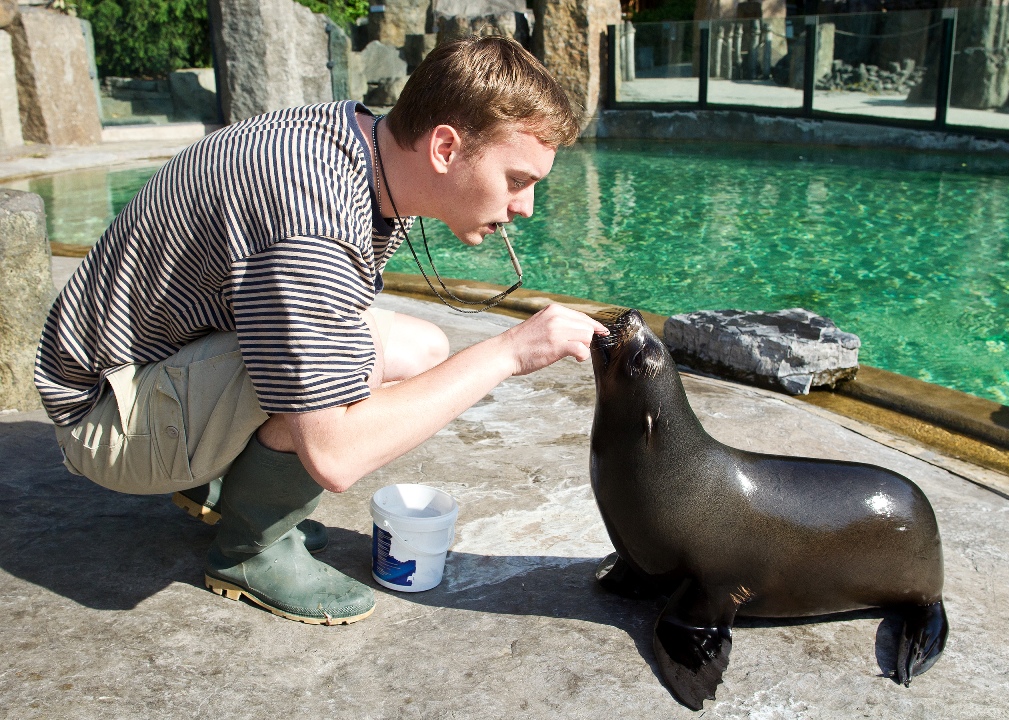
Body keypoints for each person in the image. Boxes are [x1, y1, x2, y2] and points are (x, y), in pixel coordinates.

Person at [35, 35, 608, 625]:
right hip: (107, 418)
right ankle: (247, 551)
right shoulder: (312, 225)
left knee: (422, 347)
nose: (527, 207)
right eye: (517, 179)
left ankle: (215, 484)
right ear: (444, 147)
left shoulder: (356, 139)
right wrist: (509, 352)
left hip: (147, 365)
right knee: (348, 370)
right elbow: (337, 458)